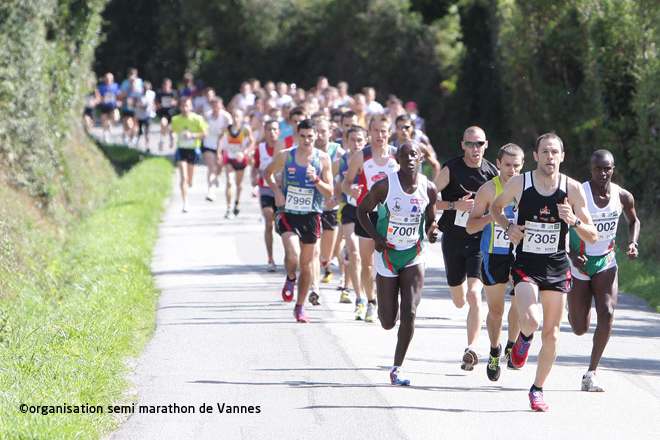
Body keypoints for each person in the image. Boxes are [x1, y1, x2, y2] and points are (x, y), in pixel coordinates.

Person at [490, 133, 597, 411]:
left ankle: (537, 390)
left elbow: (593, 235)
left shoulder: (572, 188)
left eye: (555, 152)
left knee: (552, 334)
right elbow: (495, 207)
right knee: (532, 321)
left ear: (562, 156)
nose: (550, 157)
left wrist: (573, 221)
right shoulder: (519, 183)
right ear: (536, 156)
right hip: (526, 265)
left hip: (557, 267)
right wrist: (508, 226)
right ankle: (524, 339)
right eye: (545, 152)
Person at [357, 141, 439, 385]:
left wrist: (433, 231)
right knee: (387, 321)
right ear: (398, 160)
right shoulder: (384, 186)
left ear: (420, 158)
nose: (409, 158)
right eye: (404, 155)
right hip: (387, 255)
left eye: (413, 154)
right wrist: (376, 237)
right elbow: (362, 212)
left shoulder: (429, 188)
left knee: (410, 312)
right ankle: (387, 318)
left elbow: (430, 221)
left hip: (414, 254)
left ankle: (397, 368)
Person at [566, 149, 640, 392]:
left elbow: (633, 221)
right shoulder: (580, 193)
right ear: (590, 169)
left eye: (607, 168)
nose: (602, 173)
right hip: (580, 263)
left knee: (607, 312)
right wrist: (571, 252)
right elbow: (562, 223)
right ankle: (573, 304)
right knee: (579, 328)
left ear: (613, 169)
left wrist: (632, 242)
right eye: (598, 168)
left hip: (606, 261)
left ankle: (591, 373)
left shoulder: (623, 196)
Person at [433, 126, 499, 371]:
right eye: (470, 144)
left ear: (486, 145)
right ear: (463, 145)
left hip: (479, 242)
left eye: (479, 144)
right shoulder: (451, 168)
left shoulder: (492, 172)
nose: (475, 149)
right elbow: (429, 198)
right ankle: (469, 337)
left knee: (474, 295)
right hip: (453, 238)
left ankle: (471, 349)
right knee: (460, 301)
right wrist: (454, 205)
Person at [263, 119, 334, 323]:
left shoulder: (323, 159)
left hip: (311, 215)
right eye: (302, 136)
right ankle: (290, 278)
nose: (306, 140)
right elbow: (267, 173)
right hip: (288, 212)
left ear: (316, 137)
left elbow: (329, 191)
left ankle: (300, 306)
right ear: (297, 136)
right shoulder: (286, 156)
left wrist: (316, 180)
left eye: (310, 136)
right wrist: (276, 191)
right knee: (293, 253)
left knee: (307, 264)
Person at [465, 143, 524, 381]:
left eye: (516, 166)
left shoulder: (528, 188)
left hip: (522, 253)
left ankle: (511, 345)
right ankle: (494, 350)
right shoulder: (488, 190)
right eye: (507, 165)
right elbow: (470, 226)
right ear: (498, 164)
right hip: (494, 254)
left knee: (521, 299)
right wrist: (495, 217)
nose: (512, 171)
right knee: (497, 310)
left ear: (523, 166)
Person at [342, 113, 399, 322]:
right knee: (367, 262)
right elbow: (345, 184)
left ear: (389, 133)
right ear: (369, 132)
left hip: (393, 217)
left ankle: (391, 300)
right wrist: (352, 191)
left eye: (384, 131)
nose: (379, 135)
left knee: (393, 260)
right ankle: (371, 302)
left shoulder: (397, 156)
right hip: (367, 214)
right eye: (375, 130)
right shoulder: (361, 157)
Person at [336, 125, 368, 307]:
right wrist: (335, 197)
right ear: (346, 142)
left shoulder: (371, 160)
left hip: (368, 210)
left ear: (365, 141)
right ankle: (360, 298)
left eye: (360, 140)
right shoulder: (341, 161)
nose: (356, 144)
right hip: (349, 209)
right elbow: (338, 185)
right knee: (355, 255)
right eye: (353, 140)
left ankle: (367, 290)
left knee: (366, 257)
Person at [251, 119, 285, 271]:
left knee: (281, 228)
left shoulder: (285, 149)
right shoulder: (261, 148)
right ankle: (270, 258)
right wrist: (253, 177)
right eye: (269, 129)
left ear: (279, 132)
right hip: (265, 189)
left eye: (275, 129)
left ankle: (289, 256)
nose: (272, 133)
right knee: (268, 218)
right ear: (265, 132)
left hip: (282, 190)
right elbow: (255, 166)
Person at [170, 96, 208, 213]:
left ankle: (190, 183)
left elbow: (205, 133)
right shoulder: (176, 119)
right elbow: (173, 131)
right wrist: (172, 137)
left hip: (193, 149)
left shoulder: (197, 119)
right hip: (181, 149)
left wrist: (193, 135)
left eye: (187, 106)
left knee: (190, 179)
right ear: (180, 107)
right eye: (183, 106)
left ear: (191, 107)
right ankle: (185, 202)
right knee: (183, 176)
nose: (185, 108)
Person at [219, 107, 255, 218]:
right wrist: (218, 153)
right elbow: (220, 139)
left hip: (240, 159)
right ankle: (228, 206)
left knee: (238, 184)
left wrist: (244, 152)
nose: (235, 118)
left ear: (242, 117)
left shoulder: (245, 129)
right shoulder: (227, 129)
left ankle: (237, 202)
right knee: (229, 182)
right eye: (233, 116)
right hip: (230, 158)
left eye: (238, 116)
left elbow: (252, 142)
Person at [392, 114, 440, 181]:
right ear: (396, 129)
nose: (403, 130)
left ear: (412, 127)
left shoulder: (420, 147)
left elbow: (436, 165)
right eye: (400, 127)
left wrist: (435, 186)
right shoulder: (390, 148)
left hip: (416, 187)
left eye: (406, 127)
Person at [202, 98, 232, 202]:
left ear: (221, 106)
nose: (216, 109)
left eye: (217, 106)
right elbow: (202, 128)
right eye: (214, 106)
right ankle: (211, 190)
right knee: (211, 167)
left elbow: (231, 131)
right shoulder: (207, 116)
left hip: (222, 146)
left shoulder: (226, 117)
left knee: (219, 166)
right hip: (209, 144)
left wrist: (225, 131)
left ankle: (217, 177)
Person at [96, 73, 121, 143]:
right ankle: (105, 135)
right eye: (106, 79)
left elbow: (118, 95)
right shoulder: (101, 87)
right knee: (104, 121)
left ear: (112, 80)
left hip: (113, 105)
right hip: (104, 106)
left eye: (109, 79)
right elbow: (98, 96)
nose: (108, 80)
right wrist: (102, 99)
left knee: (116, 117)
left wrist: (119, 101)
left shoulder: (115, 86)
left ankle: (109, 123)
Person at [155, 78, 179, 151]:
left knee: (172, 130)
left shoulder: (173, 93)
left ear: (170, 85)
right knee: (163, 124)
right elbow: (156, 101)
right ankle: (162, 139)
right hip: (163, 113)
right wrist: (158, 105)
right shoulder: (159, 93)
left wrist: (173, 103)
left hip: (172, 113)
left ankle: (171, 140)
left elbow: (177, 102)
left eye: (167, 85)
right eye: (165, 85)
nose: (166, 87)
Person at [135, 80, 156, 150]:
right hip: (140, 115)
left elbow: (153, 102)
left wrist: (154, 107)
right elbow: (134, 103)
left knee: (148, 130)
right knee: (140, 130)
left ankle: (148, 145)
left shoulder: (152, 94)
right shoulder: (138, 93)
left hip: (149, 114)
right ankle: (137, 143)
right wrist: (140, 105)